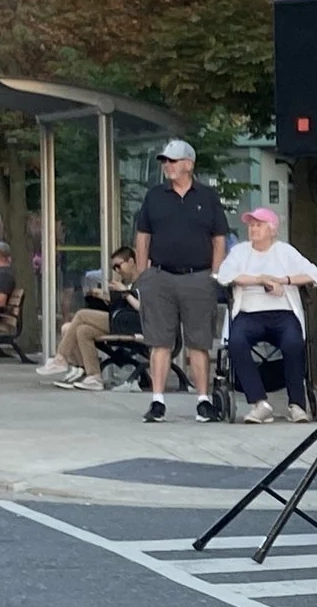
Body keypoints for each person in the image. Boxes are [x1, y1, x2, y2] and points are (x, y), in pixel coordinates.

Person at [131, 140, 231, 423]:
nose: (168, 166)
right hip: (160, 276)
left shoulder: (208, 197)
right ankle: (158, 401)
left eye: (173, 161)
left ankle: (203, 400)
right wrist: (143, 275)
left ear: (189, 164)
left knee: (199, 341)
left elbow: (218, 238)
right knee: (159, 342)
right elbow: (143, 237)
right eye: (165, 161)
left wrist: (214, 275)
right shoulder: (155, 196)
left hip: (198, 276)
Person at [214, 206, 317, 423]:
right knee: (236, 341)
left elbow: (316, 274)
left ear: (272, 230)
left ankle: (297, 404)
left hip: (282, 313)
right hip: (248, 313)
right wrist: (261, 280)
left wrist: (283, 280)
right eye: (251, 225)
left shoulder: (285, 251)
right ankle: (259, 403)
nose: (253, 229)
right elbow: (224, 275)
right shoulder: (240, 251)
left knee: (293, 343)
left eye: (259, 225)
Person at [40, 246, 139, 388]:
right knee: (83, 331)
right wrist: (105, 297)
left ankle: (61, 357)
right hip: (120, 320)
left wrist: (125, 292)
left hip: (131, 323)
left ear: (131, 262)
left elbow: (143, 308)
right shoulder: (126, 283)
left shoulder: (143, 281)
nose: (117, 270)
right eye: (114, 268)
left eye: (118, 266)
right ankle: (94, 376)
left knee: (81, 314)